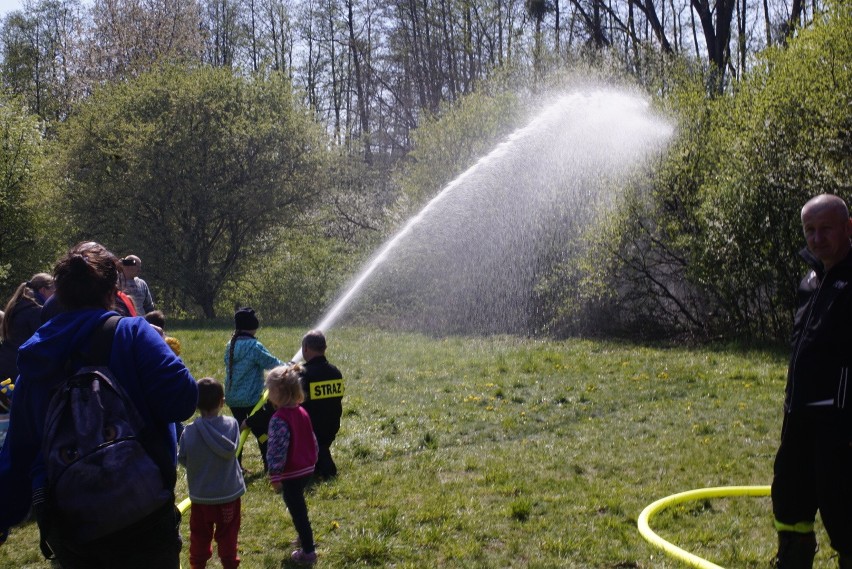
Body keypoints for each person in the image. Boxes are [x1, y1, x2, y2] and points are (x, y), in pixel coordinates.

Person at [0, 241, 198, 568]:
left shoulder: (35, 359)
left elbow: (17, 455)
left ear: (58, 292)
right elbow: (183, 401)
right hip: (144, 514)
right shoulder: (133, 334)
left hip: (73, 525)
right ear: (112, 290)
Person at [771, 193, 852, 569]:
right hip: (798, 413)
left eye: (825, 229)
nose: (816, 239)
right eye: (809, 231)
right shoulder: (810, 278)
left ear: (848, 228)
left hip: (840, 421)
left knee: (841, 505)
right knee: (789, 495)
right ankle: (792, 558)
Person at [179, 378, 245, 569]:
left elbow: (183, 458)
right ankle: (230, 563)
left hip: (201, 498)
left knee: (199, 535)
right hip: (229, 496)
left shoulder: (189, 432)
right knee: (228, 534)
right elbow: (234, 447)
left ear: (195, 404)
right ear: (222, 402)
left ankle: (197, 565)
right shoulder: (232, 425)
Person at [265, 364, 318, 565]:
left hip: (292, 473)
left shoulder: (279, 419)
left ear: (278, 393)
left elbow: (276, 451)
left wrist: (275, 475)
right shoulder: (302, 412)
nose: (268, 394)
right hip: (307, 469)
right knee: (298, 506)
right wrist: (313, 459)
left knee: (298, 511)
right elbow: (312, 440)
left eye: (269, 390)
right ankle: (303, 537)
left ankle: (308, 551)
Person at [224, 307, 282, 472]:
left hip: (233, 398)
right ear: (253, 326)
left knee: (238, 432)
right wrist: (288, 367)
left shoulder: (230, 345)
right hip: (251, 399)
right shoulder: (254, 346)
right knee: (262, 431)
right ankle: (269, 465)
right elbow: (271, 363)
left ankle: (236, 467)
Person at [299, 330, 344, 479]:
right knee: (321, 446)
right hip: (332, 425)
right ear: (325, 348)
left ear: (305, 348)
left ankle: (325, 468)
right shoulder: (335, 372)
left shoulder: (304, 374)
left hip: (310, 430)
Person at [0, 273, 55, 382]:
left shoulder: (18, 305)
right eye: (53, 291)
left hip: (5, 361)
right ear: (43, 290)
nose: (54, 296)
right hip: (17, 367)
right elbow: (43, 343)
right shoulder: (36, 310)